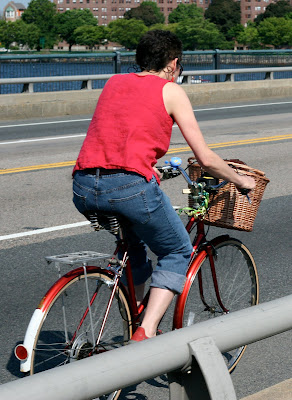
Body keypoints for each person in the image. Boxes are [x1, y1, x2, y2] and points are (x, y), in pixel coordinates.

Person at [72, 30, 255, 342]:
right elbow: (206, 159)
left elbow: (116, 136)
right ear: (173, 63)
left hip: (84, 186)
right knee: (176, 250)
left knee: (136, 250)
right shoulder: (171, 90)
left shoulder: (114, 82)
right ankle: (145, 333)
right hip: (128, 188)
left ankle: (135, 314)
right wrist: (241, 180)